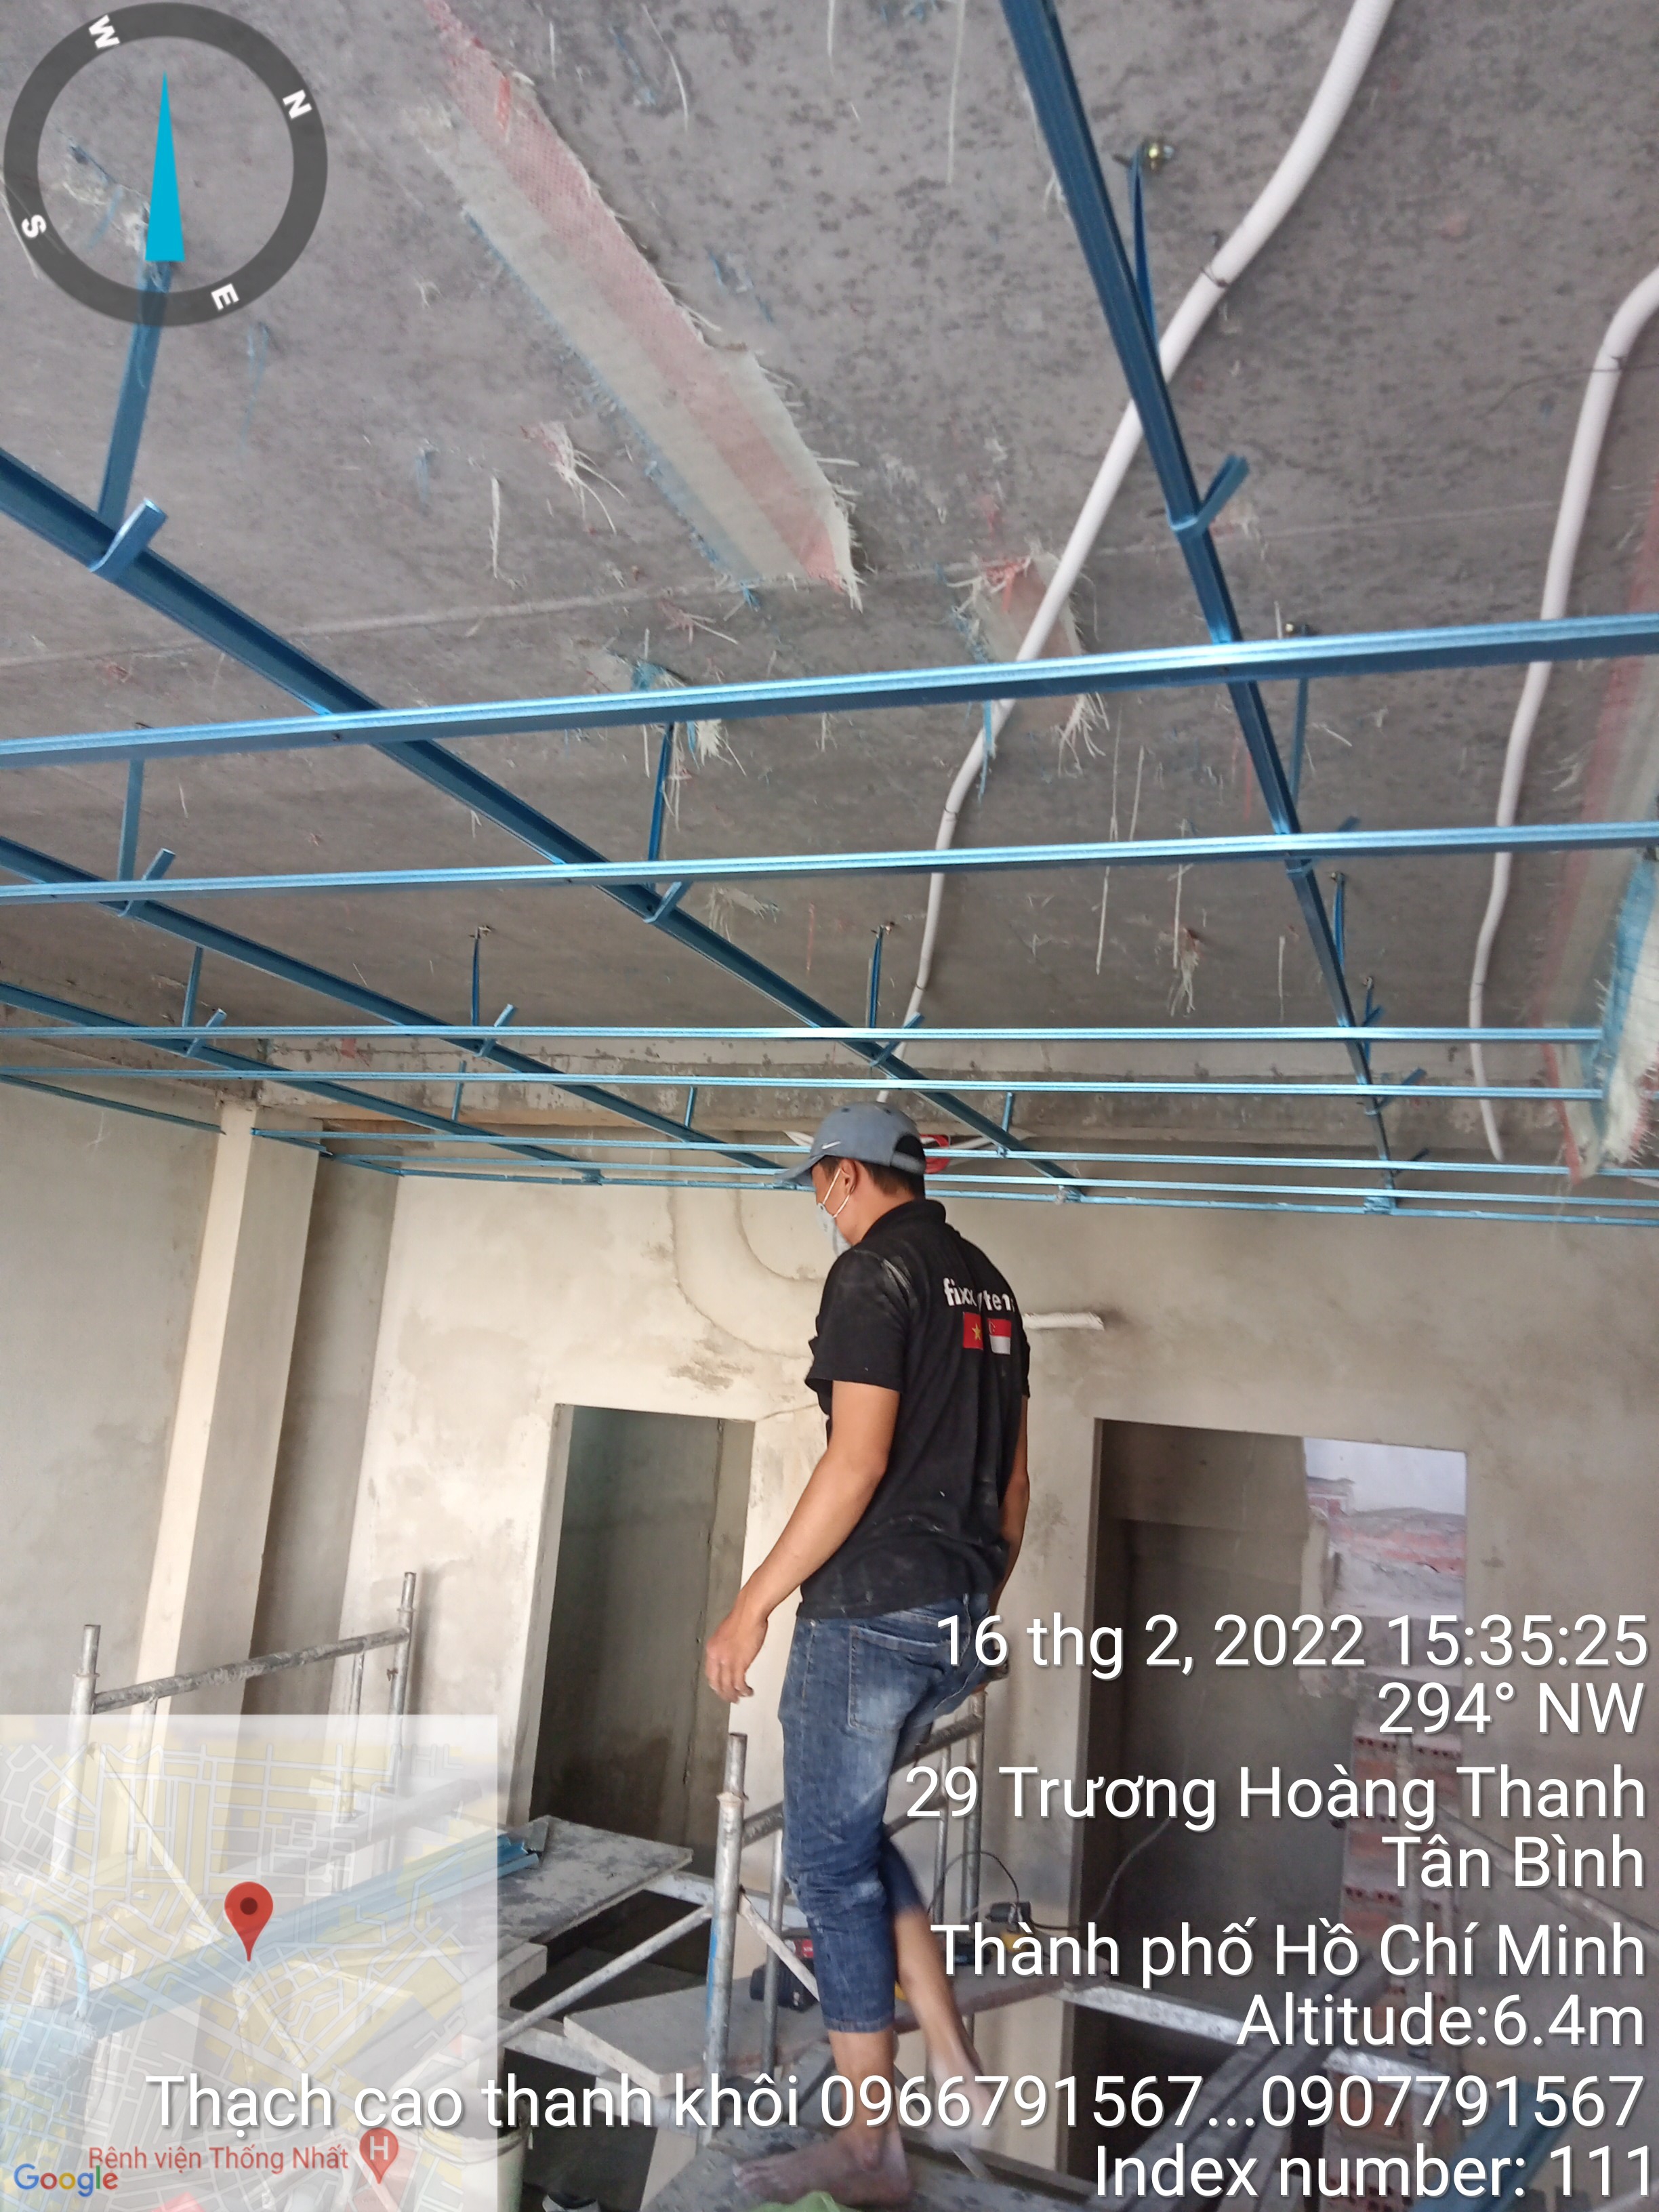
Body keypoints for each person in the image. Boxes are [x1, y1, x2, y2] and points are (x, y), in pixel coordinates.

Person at [704, 1103, 1031, 2207]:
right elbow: (1014, 1487)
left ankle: (867, 2143)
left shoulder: (873, 1273)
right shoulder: (992, 1287)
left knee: (825, 1867)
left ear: (847, 1175)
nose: (818, 1202)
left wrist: (751, 1606)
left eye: (817, 1182)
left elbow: (857, 1462)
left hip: (870, 1615)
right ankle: (947, 2041)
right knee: (848, 1840)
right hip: (957, 1612)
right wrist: (970, 1600)